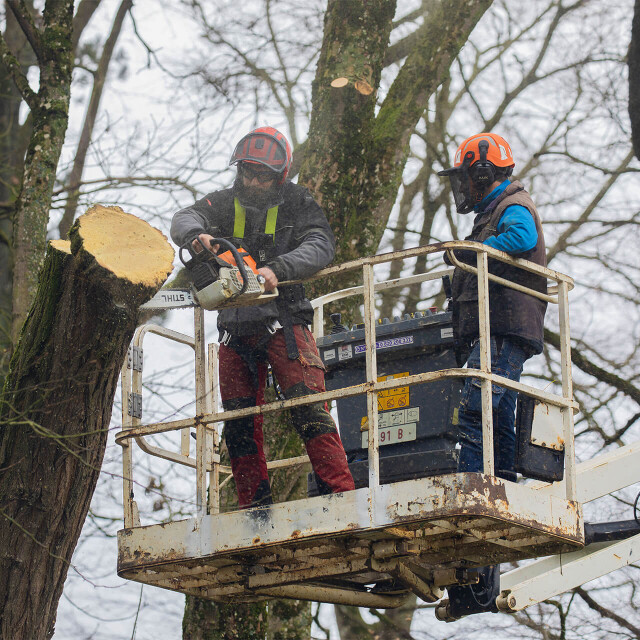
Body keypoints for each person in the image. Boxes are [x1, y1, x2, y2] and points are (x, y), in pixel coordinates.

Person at [171, 126, 354, 508]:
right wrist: (195, 237)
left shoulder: (297, 202)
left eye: (262, 175)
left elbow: (321, 245)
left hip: (283, 320)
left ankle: (342, 497)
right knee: (238, 423)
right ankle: (254, 508)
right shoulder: (221, 203)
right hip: (234, 328)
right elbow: (184, 216)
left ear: (279, 176)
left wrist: (279, 269)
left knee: (308, 408)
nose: (253, 182)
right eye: (247, 172)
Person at [438, 132, 547, 481]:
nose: (463, 185)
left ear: (482, 173)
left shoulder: (513, 205)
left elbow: (522, 237)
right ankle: (502, 480)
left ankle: (472, 486)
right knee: (497, 413)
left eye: (466, 176)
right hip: (498, 326)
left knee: (474, 408)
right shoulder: (491, 212)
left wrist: (474, 251)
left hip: (502, 326)